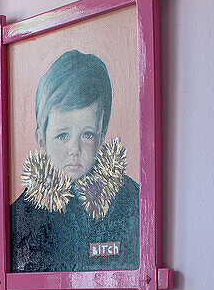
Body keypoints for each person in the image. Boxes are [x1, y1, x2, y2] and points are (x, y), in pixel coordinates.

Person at [9, 49, 139, 273]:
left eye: (87, 135)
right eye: (62, 136)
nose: (75, 149)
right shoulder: (22, 216)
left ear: (101, 136)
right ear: (42, 140)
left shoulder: (131, 201)